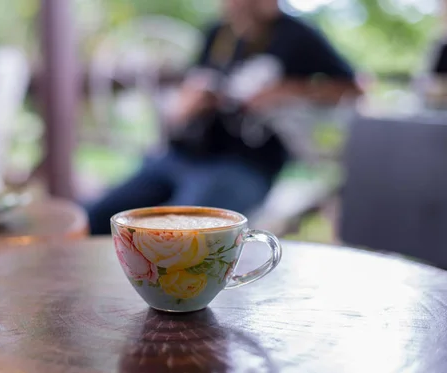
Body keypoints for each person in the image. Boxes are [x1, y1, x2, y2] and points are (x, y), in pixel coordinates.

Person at [87, 0, 361, 235]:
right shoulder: (218, 33)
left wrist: (288, 90)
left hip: (246, 165)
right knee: (97, 218)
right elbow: (188, 94)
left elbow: (354, 87)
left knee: (183, 235)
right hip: (183, 155)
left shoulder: (298, 36)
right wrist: (191, 103)